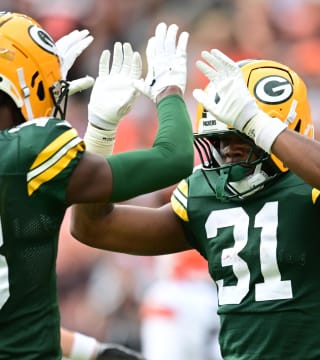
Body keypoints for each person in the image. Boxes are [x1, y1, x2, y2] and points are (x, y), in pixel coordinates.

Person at [72, 48, 320, 359]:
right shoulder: (206, 196)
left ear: (283, 126)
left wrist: (255, 121)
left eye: (242, 136)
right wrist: (100, 135)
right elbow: (93, 227)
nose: (228, 151)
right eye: (220, 140)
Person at [0, 11, 194, 359]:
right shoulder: (27, 151)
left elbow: (16, 320)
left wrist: (96, 352)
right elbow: (174, 158)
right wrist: (169, 90)